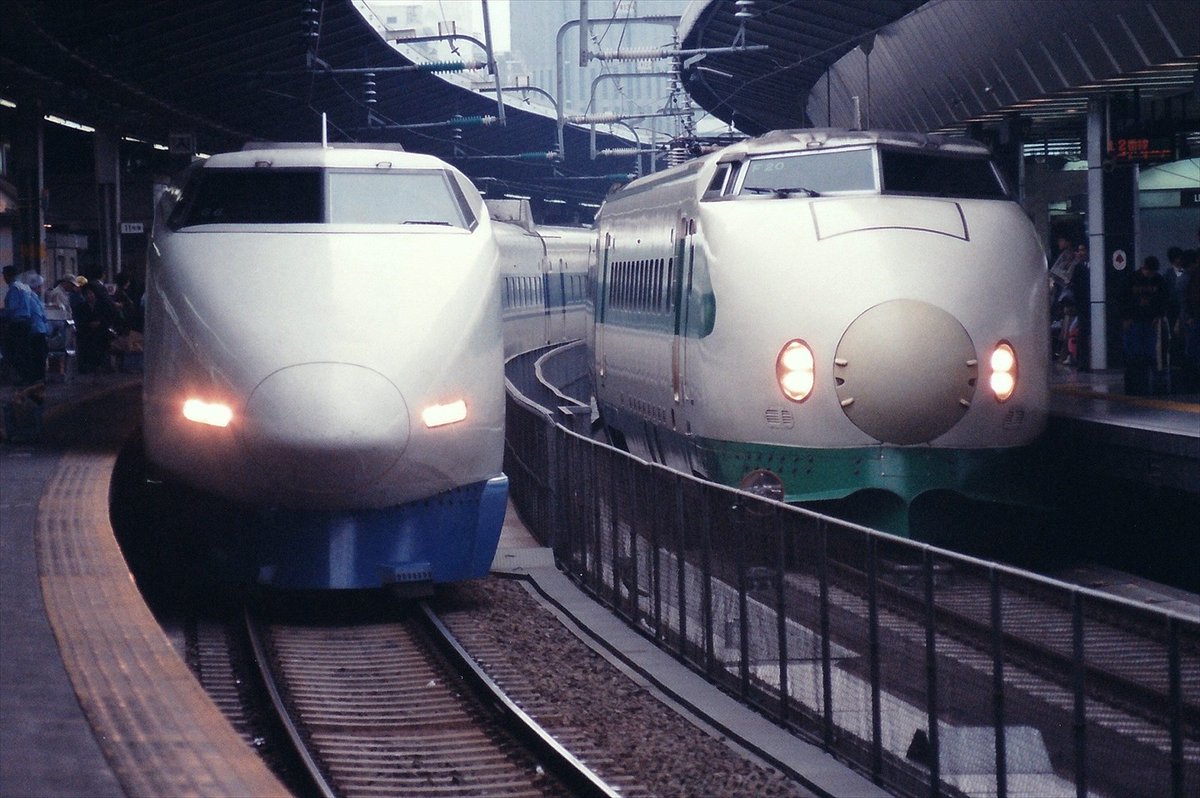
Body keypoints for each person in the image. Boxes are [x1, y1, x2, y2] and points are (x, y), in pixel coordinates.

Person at [1121, 255, 1169, 395]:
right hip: (1134, 320)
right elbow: (1122, 298)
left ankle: (1145, 381)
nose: (1150, 275)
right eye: (1148, 271)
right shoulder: (1131, 279)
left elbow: (1164, 299)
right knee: (1135, 351)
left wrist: (1159, 315)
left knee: (1149, 351)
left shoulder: (1159, 280)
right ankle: (1135, 382)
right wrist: (1126, 317)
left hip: (1150, 320)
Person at [1, 266, 50, 385]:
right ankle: (32, 378)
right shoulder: (25, 288)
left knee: (16, 352)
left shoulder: (14, 288)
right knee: (26, 351)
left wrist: (2, 313)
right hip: (28, 323)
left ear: (7, 275)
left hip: (17, 323)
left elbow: (12, 308)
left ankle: (25, 378)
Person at [74, 281, 117, 374]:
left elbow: (109, 318)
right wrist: (87, 324)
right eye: (86, 294)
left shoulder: (103, 305)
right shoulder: (81, 307)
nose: (89, 296)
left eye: (91, 293)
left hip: (101, 332)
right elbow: (78, 320)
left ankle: (102, 366)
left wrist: (100, 323)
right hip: (87, 333)